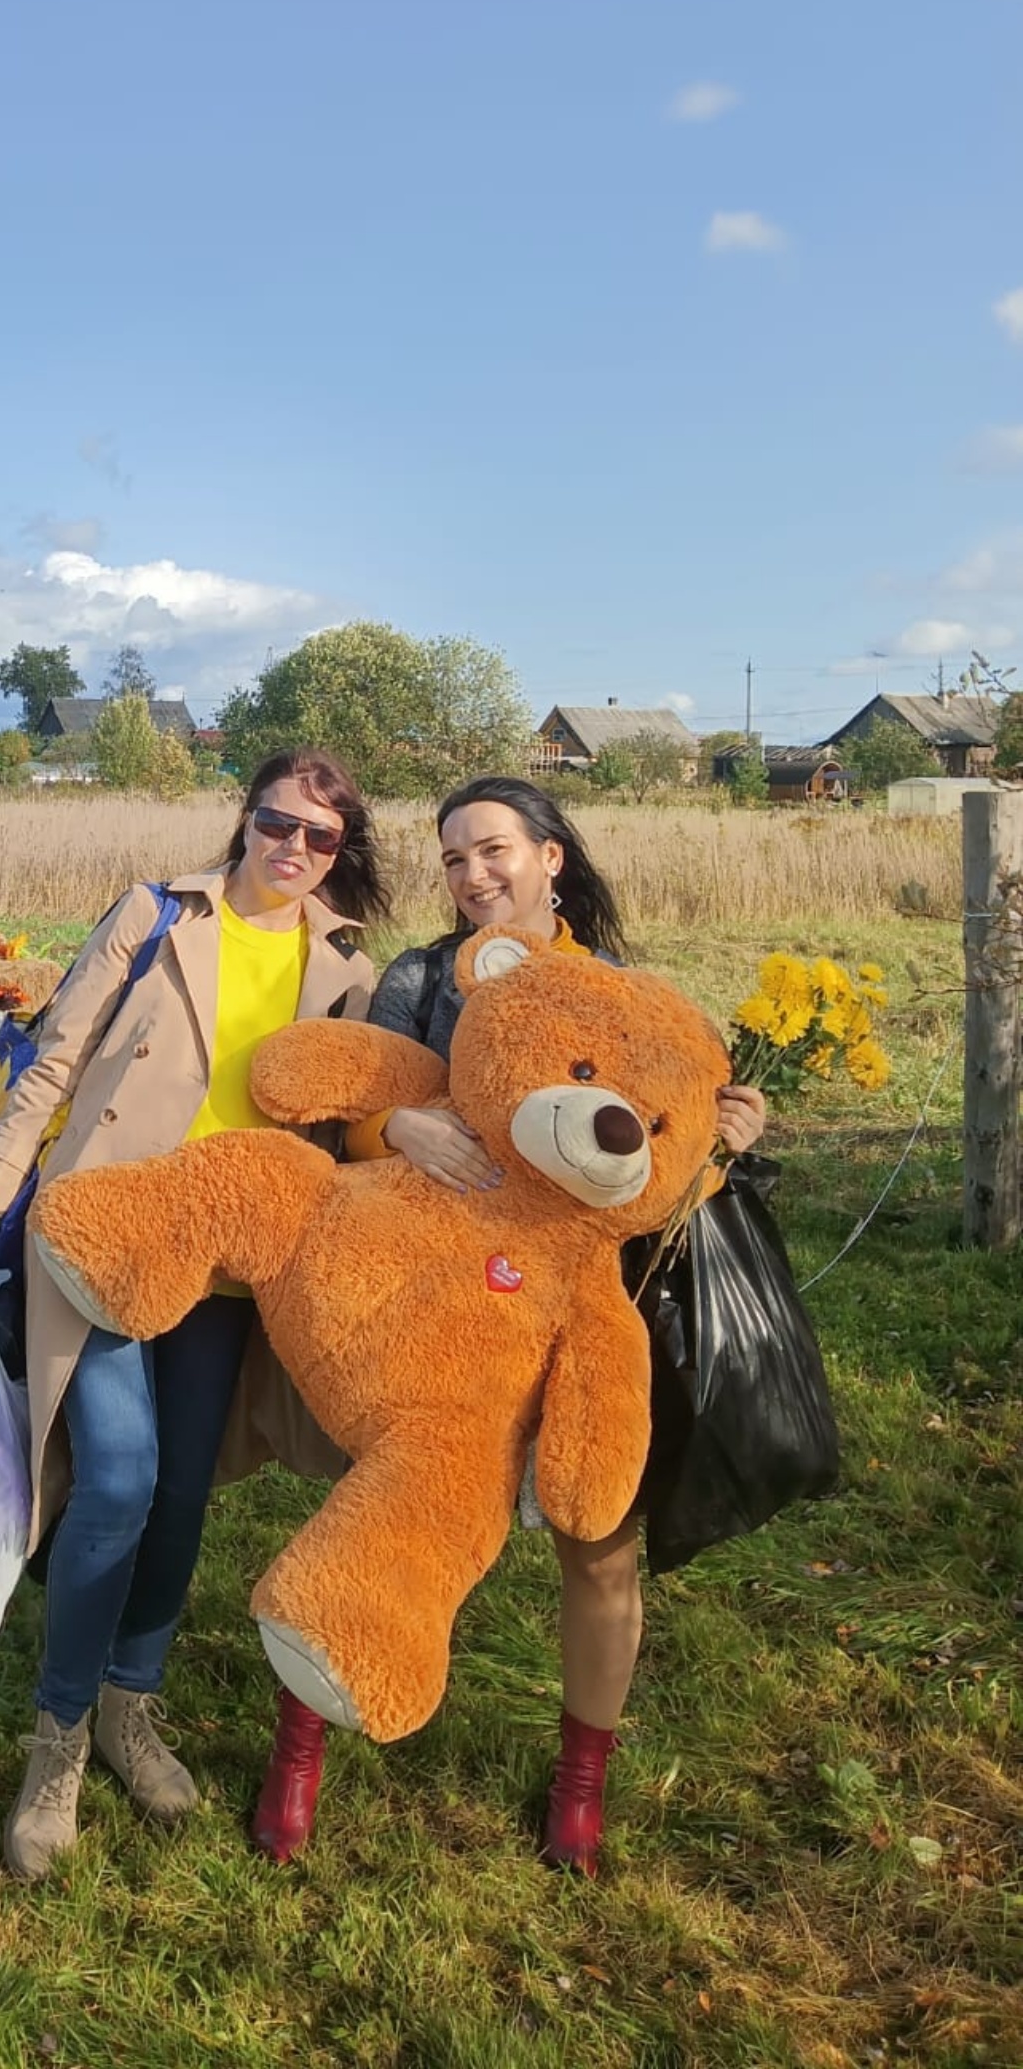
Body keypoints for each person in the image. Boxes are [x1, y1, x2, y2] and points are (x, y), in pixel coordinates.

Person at [250, 774, 766, 1877]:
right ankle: (299, 1747)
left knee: (599, 1545)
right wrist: (397, 1127)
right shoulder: (422, 977)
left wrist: (727, 1139)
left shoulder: (624, 991)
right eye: (453, 859)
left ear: (550, 858)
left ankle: (581, 1781)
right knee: (389, 1514)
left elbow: (660, 1164)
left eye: (493, 851)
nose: (473, 875)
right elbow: (350, 1113)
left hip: (584, 1312)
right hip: (445, 1322)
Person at [0, 748, 391, 1879]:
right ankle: (61, 1740)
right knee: (121, 1478)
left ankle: (134, 1708)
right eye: (276, 821)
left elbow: (368, 1119)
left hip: (233, 1276)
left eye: (319, 836)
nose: (292, 847)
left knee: (181, 1491)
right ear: (246, 820)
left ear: (340, 851)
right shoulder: (153, 914)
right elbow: (50, 1061)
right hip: (104, 1241)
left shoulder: (346, 968)